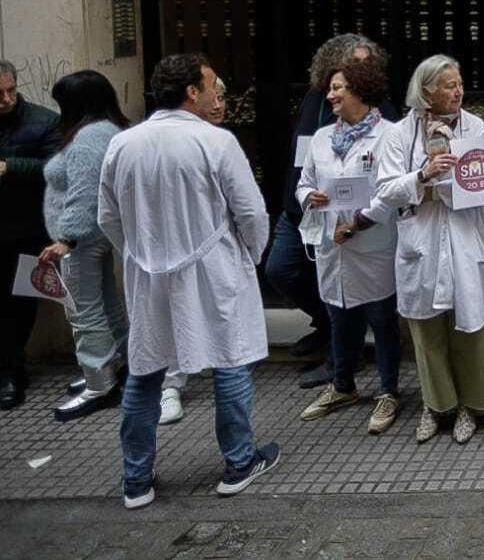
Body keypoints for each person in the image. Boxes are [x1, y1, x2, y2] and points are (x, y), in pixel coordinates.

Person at [98, 54, 280, 508]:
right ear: (191, 92)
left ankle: (136, 479)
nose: (219, 94)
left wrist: (141, 254)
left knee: (146, 370)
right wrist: (249, 255)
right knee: (230, 359)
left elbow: (107, 218)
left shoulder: (124, 144)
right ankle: (240, 462)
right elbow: (252, 212)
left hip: (147, 274)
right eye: (212, 86)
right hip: (215, 267)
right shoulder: (215, 142)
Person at [374, 54, 484, 445]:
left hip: (464, 236)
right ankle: (436, 405)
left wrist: (443, 180)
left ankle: (471, 406)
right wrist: (424, 175)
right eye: (449, 86)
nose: (458, 91)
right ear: (426, 91)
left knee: (469, 326)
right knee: (427, 330)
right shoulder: (397, 134)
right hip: (421, 241)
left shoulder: (475, 126)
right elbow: (386, 190)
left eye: (460, 84)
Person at [267, 34, 393, 391]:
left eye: (367, 63)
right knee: (281, 270)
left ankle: (345, 367)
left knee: (363, 300)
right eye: (355, 61)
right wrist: (304, 196)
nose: (362, 67)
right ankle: (325, 327)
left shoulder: (382, 109)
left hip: (358, 222)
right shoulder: (315, 101)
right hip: (305, 211)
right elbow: (303, 158)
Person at [295, 60, 402, 435]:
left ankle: (388, 391)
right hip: (331, 243)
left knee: (382, 319)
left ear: (359, 89)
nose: (331, 95)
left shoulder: (391, 135)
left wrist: (357, 223)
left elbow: (391, 193)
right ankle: (343, 386)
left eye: (338, 87)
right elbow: (303, 182)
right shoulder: (322, 137)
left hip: (371, 242)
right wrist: (311, 195)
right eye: (331, 88)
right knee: (339, 317)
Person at [36, 71, 130, 421]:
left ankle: (98, 383)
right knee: (106, 303)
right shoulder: (107, 130)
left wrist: (66, 239)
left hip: (81, 241)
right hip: (94, 237)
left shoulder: (89, 136)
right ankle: (121, 368)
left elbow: (84, 193)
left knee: (82, 311)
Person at [0, 59, 64, 411]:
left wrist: (10, 167)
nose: (7, 98)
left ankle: (12, 370)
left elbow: (55, 167)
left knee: (19, 304)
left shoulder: (41, 120)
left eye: (11, 90)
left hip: (25, 226)